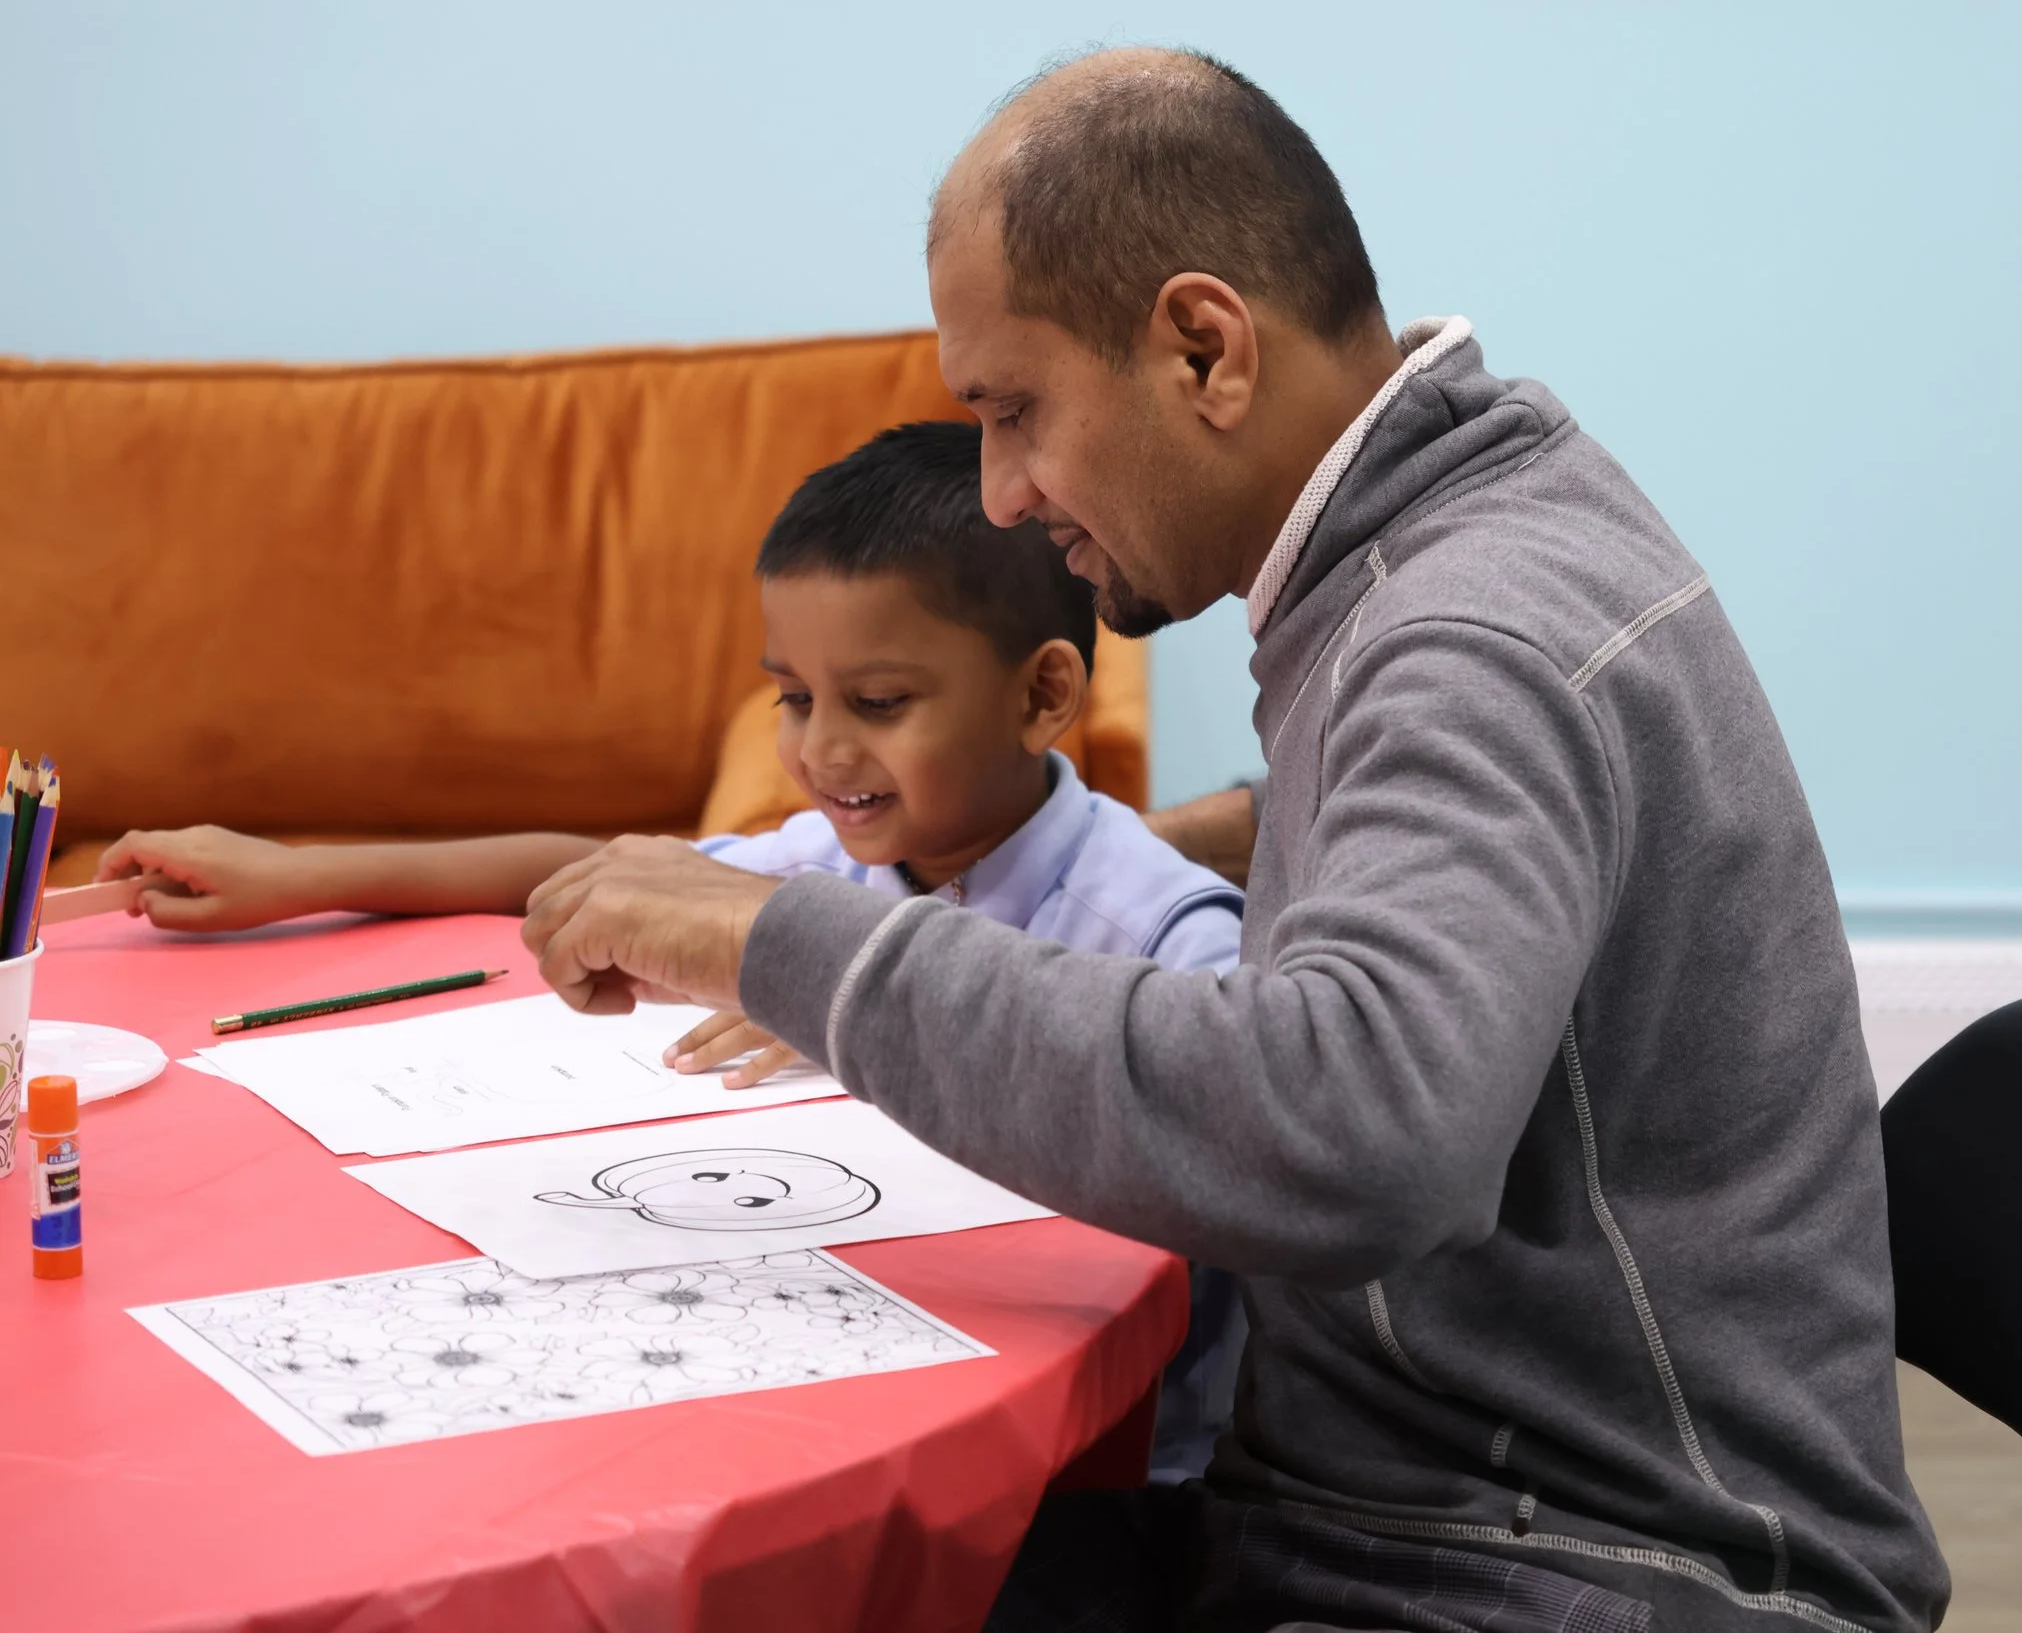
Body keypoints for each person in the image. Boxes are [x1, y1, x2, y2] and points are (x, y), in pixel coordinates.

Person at [519, 50, 1952, 1633]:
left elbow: (1355, 1130)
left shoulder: (1466, 635)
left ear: (1204, 346)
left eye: (1014, 411)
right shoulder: (1464, 525)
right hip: (1429, 1498)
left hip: (1589, 1564)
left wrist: (766, 937)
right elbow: (1437, 823)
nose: (1000, 493)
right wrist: (1185, 832)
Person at [96, 420, 1250, 1479]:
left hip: (1094, 1471)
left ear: (1043, 691)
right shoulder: (830, 863)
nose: (823, 749)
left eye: (881, 700)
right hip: (840, 1379)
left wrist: (859, 1010)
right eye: (794, 697)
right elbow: (608, 868)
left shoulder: (1166, 941)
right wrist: (301, 873)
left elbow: (1204, 1210)